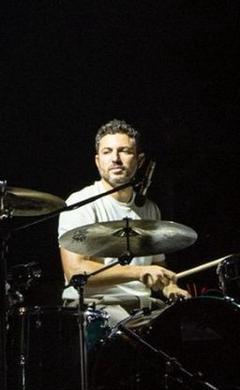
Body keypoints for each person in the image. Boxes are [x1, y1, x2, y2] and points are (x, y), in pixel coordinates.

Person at [58, 119, 188, 324]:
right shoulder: (80, 203)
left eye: (124, 151)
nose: (115, 159)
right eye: (107, 152)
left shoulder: (149, 209)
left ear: (139, 160)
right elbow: (75, 271)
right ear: (97, 161)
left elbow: (157, 266)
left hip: (143, 307)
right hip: (96, 307)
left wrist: (170, 287)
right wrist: (139, 272)